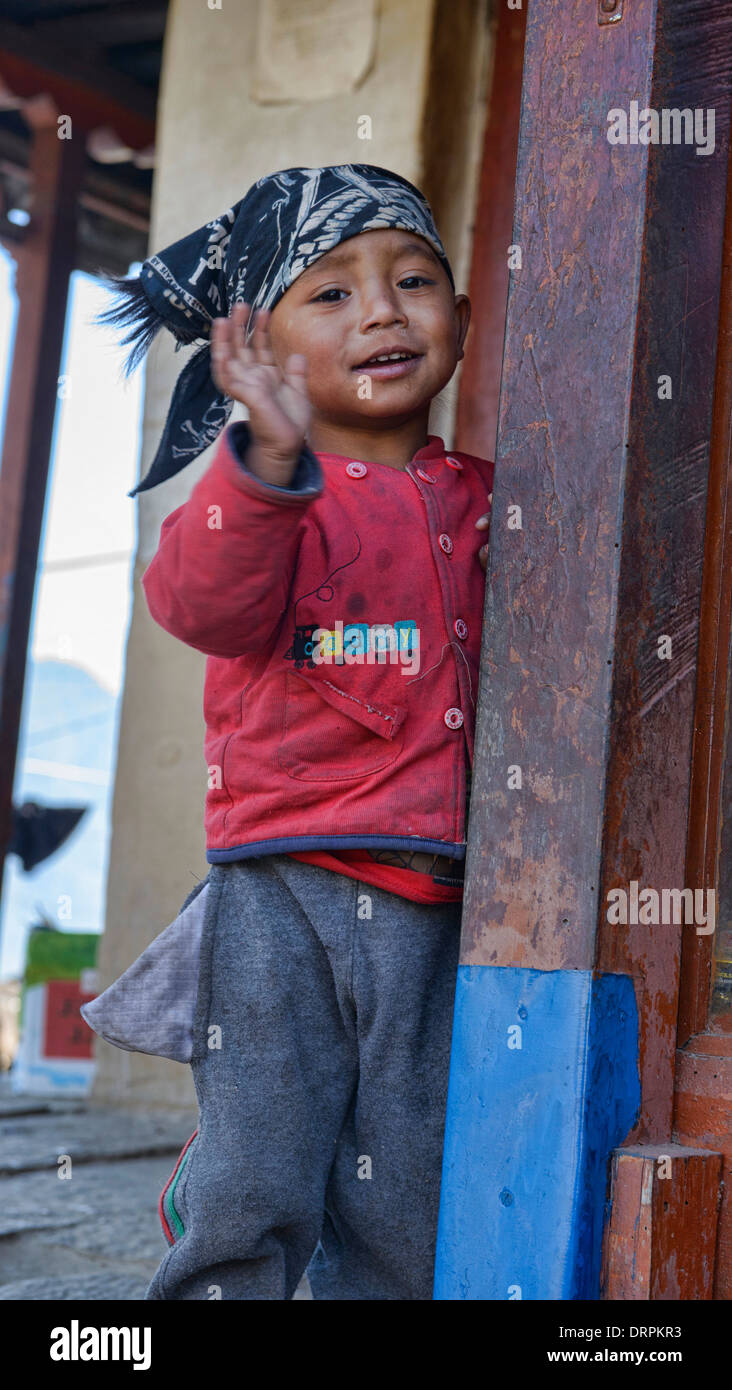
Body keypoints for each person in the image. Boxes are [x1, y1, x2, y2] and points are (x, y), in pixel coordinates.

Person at [100, 164, 493, 1300]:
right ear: (260, 353)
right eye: (330, 293)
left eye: (414, 279)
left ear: (461, 323)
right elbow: (199, 605)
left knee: (407, 1189)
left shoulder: (494, 500)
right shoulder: (268, 494)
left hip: (440, 902)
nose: (381, 308)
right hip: (282, 890)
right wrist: (265, 460)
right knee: (257, 1171)